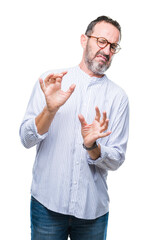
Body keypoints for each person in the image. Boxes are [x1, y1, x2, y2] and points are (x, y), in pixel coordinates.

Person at [20, 16, 129, 240]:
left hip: (93, 213)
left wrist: (93, 147)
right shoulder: (51, 81)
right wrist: (49, 110)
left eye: (113, 46)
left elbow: (116, 158)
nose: (106, 50)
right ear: (83, 40)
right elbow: (26, 139)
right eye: (101, 41)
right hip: (46, 206)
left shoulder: (119, 98)